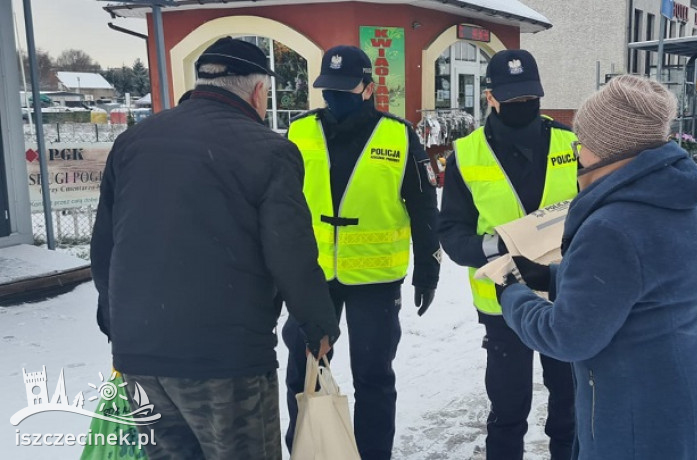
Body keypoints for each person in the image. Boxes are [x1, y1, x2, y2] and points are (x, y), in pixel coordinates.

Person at [90, 37, 341, 459]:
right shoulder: (270, 151)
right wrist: (318, 325)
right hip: (226, 362)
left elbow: (105, 247)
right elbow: (291, 253)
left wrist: (119, 323)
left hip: (140, 357)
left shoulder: (134, 141)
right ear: (259, 91)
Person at [498, 75, 697, 460]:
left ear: (607, 149)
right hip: (693, 389)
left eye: (582, 143)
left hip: (642, 412)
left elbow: (569, 337)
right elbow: (645, 285)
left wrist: (513, 297)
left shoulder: (612, 225)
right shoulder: (675, 199)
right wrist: (554, 277)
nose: (578, 153)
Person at [281, 45, 441, 460]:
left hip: (376, 280)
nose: (334, 97)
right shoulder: (299, 132)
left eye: (345, 88)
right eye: (327, 88)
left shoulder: (398, 134)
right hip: (312, 279)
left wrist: (428, 268)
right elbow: (277, 205)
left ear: (368, 88)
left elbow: (423, 204)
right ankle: (305, 450)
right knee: (305, 373)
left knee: (373, 377)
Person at [438, 49, 577, 460]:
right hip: (504, 303)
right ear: (490, 97)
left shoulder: (572, 143)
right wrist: (499, 247)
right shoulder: (466, 154)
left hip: (565, 296)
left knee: (569, 406)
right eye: (512, 99)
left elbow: (595, 212)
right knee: (508, 409)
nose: (522, 107)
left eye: (529, 98)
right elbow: (451, 232)